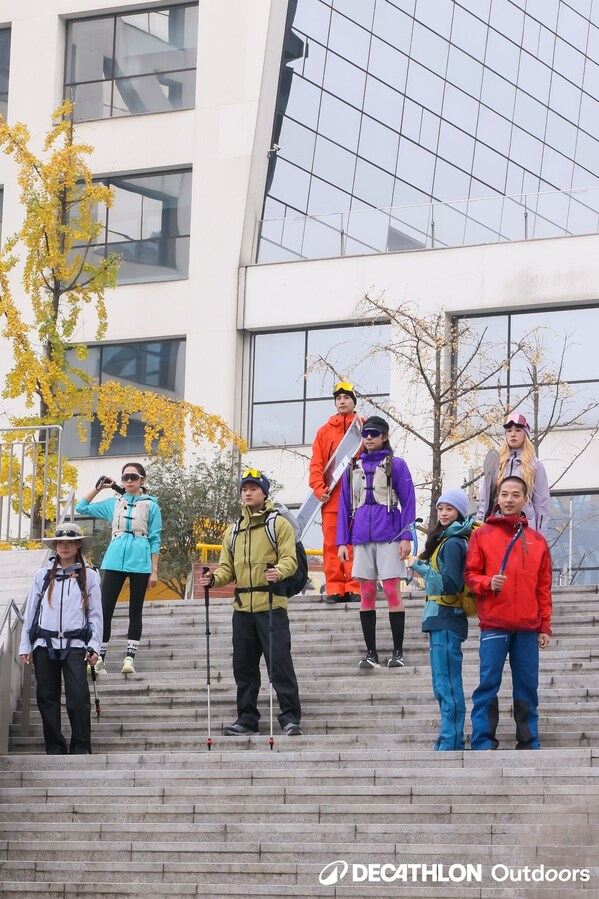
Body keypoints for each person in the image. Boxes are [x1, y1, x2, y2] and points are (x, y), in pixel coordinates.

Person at [199, 469, 302, 736]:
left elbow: (290, 560)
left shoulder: (278, 524)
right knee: (243, 667)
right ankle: (247, 719)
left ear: (264, 493)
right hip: (242, 608)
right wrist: (213, 579)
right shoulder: (233, 530)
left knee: (279, 664)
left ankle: (290, 717)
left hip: (272, 605)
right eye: (244, 489)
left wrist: (278, 571)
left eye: (254, 488)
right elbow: (227, 569)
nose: (248, 493)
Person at [466, 476, 552, 750]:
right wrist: (487, 582)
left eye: (516, 494)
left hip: (527, 627)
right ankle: (482, 741)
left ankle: (528, 742)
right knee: (488, 684)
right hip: (494, 623)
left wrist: (545, 625)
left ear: (525, 500)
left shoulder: (537, 541)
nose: (509, 499)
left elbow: (543, 588)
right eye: (504, 494)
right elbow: (470, 575)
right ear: (497, 498)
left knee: (527, 686)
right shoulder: (481, 535)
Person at [337, 416, 416, 669]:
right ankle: (370, 653)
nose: (369, 437)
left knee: (392, 591)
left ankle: (398, 651)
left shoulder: (397, 464)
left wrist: (406, 536)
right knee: (367, 593)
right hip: (362, 537)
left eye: (374, 433)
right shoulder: (352, 467)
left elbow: (408, 502)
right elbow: (344, 506)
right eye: (365, 433)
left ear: (384, 436)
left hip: (389, 535)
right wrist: (342, 541)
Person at [19, 524, 102, 754]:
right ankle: (55, 748)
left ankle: (80, 747)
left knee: (78, 697)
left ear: (78, 545)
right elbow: (31, 611)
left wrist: (95, 646)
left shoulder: (90, 576)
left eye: (70, 542)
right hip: (44, 644)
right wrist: (26, 645)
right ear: (55, 546)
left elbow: (96, 614)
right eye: (60, 542)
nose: (64, 546)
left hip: (76, 644)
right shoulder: (42, 575)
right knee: (47, 697)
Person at [75, 462, 162, 675]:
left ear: (142, 480)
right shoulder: (114, 503)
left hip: (140, 561)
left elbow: (155, 538)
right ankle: (100, 658)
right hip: (114, 560)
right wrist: (99, 488)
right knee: (104, 609)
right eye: (125, 477)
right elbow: (81, 507)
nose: (129, 481)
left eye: (134, 477)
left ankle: (129, 658)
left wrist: (154, 570)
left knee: (135, 610)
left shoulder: (151, 505)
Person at [407, 489, 472, 751]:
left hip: (447, 618)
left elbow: (450, 585)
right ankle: (448, 738)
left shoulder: (454, 543)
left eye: (450, 509)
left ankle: (451, 741)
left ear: (460, 512)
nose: (444, 513)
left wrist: (420, 567)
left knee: (447, 684)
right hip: (439, 620)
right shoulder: (446, 540)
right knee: (441, 684)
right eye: (441, 508)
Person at [309, 381, 361, 604]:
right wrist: (318, 488)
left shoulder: (362, 429)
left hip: (358, 499)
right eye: (338, 398)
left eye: (346, 397)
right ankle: (335, 588)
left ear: (354, 401)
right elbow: (316, 463)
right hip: (332, 499)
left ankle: (355, 586)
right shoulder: (324, 431)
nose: (342, 401)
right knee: (331, 544)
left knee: (355, 543)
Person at [477, 414, 550, 536]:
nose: (513, 434)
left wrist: (541, 536)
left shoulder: (535, 465)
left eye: (518, 430)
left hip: (525, 527)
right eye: (509, 431)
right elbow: (484, 499)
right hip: (497, 525)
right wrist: (479, 525)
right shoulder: (496, 462)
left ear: (525, 434)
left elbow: (542, 504)